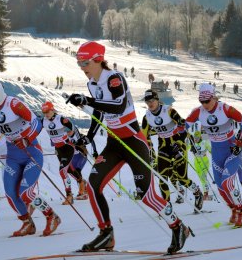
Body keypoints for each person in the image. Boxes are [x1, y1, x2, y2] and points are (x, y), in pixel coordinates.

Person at [66, 41, 191, 253]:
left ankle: (179, 227)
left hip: (133, 140)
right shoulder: (93, 84)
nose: (82, 67)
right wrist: (90, 136)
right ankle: (106, 234)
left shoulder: (114, 78)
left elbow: (118, 105)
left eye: (85, 62)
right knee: (93, 185)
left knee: (147, 196)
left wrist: (87, 101)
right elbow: (99, 112)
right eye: (79, 63)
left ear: (98, 60)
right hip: (114, 143)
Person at [0, 76, 61, 236]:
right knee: (10, 192)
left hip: (31, 152)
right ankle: (27, 223)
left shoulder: (14, 104)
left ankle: (51, 216)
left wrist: (26, 139)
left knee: (25, 192)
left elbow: (37, 123)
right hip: (13, 156)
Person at [185, 83, 242, 227]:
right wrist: (177, 138)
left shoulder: (225, 108)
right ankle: (233, 209)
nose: (204, 104)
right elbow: (184, 126)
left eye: (207, 101)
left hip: (231, 149)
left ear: (214, 97)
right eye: (201, 101)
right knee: (220, 187)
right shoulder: (198, 112)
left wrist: (240, 143)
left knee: (227, 183)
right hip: (217, 152)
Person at [141, 89, 203, 211]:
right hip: (163, 147)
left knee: (182, 178)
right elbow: (145, 137)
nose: (150, 104)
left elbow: (183, 126)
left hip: (178, 145)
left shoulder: (169, 111)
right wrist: (150, 154)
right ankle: (167, 206)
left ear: (157, 100)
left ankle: (197, 193)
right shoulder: (146, 117)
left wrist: (179, 143)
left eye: (152, 100)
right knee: (162, 178)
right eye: (148, 102)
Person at [40, 101, 86, 205]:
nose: (46, 114)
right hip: (58, 150)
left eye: (47, 111)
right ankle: (81, 181)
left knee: (62, 171)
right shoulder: (43, 121)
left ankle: (69, 195)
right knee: (69, 170)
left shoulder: (60, 119)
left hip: (67, 147)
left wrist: (75, 139)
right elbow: (35, 129)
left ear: (52, 110)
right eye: (44, 112)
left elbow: (73, 128)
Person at [190, 130, 212, 200]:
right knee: (200, 177)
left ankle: (206, 193)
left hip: (204, 160)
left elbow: (211, 150)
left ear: (200, 137)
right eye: (195, 138)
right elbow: (185, 148)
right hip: (197, 161)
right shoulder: (192, 143)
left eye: (197, 138)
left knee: (203, 177)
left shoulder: (204, 142)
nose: (196, 139)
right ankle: (205, 190)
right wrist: (191, 148)